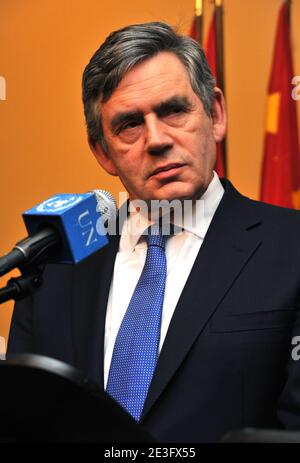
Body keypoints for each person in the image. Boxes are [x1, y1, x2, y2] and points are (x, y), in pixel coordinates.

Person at [7, 22, 300, 442]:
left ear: (214, 114)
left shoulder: (291, 249)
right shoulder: (55, 266)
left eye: (174, 110)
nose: (157, 139)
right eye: (129, 124)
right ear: (103, 152)